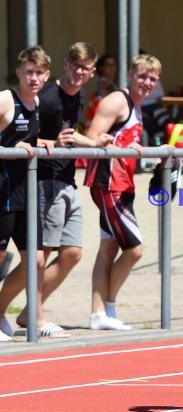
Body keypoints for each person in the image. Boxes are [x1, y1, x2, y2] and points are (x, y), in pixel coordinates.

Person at [11, 42, 113, 337]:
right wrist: (50, 142)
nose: (79, 72)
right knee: (38, 255)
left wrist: (94, 143)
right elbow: (32, 135)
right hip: (44, 181)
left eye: (85, 68)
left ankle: (30, 311)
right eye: (75, 65)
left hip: (67, 180)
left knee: (72, 253)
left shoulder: (77, 95)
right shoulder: (48, 96)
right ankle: (30, 315)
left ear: (92, 71)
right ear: (65, 65)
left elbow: (66, 135)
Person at [84, 54, 162, 331]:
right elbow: (92, 137)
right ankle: (109, 304)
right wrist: (111, 146)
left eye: (152, 79)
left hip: (123, 185)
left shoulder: (137, 106)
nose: (147, 83)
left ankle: (98, 315)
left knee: (108, 249)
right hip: (109, 184)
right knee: (135, 249)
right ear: (130, 74)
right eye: (142, 76)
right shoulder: (118, 100)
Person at [0, 46, 50, 341]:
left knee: (36, 260)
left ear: (46, 75)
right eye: (28, 72)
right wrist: (8, 150)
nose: (33, 77)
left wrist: (45, 142)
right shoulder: (6, 100)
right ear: (19, 72)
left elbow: (26, 138)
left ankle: (1, 309)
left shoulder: (39, 103)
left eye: (39, 72)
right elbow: (12, 141)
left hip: (24, 192)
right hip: (2, 190)